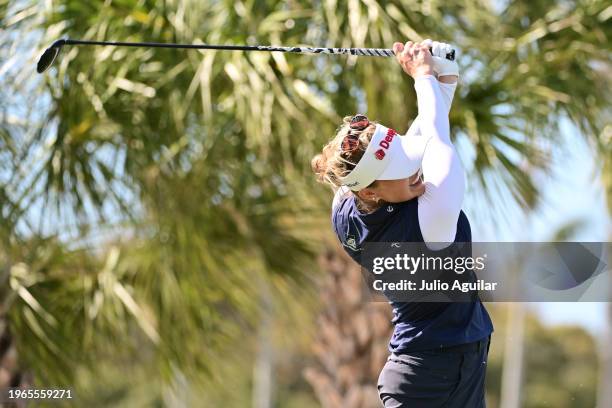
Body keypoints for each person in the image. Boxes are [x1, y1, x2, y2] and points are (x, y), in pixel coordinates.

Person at [311, 40, 494, 407]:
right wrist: (425, 76)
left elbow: (424, 132)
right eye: (400, 169)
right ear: (373, 192)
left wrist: (442, 80)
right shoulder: (431, 217)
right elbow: (436, 140)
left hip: (437, 367)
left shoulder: (346, 207)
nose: (414, 169)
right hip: (427, 377)